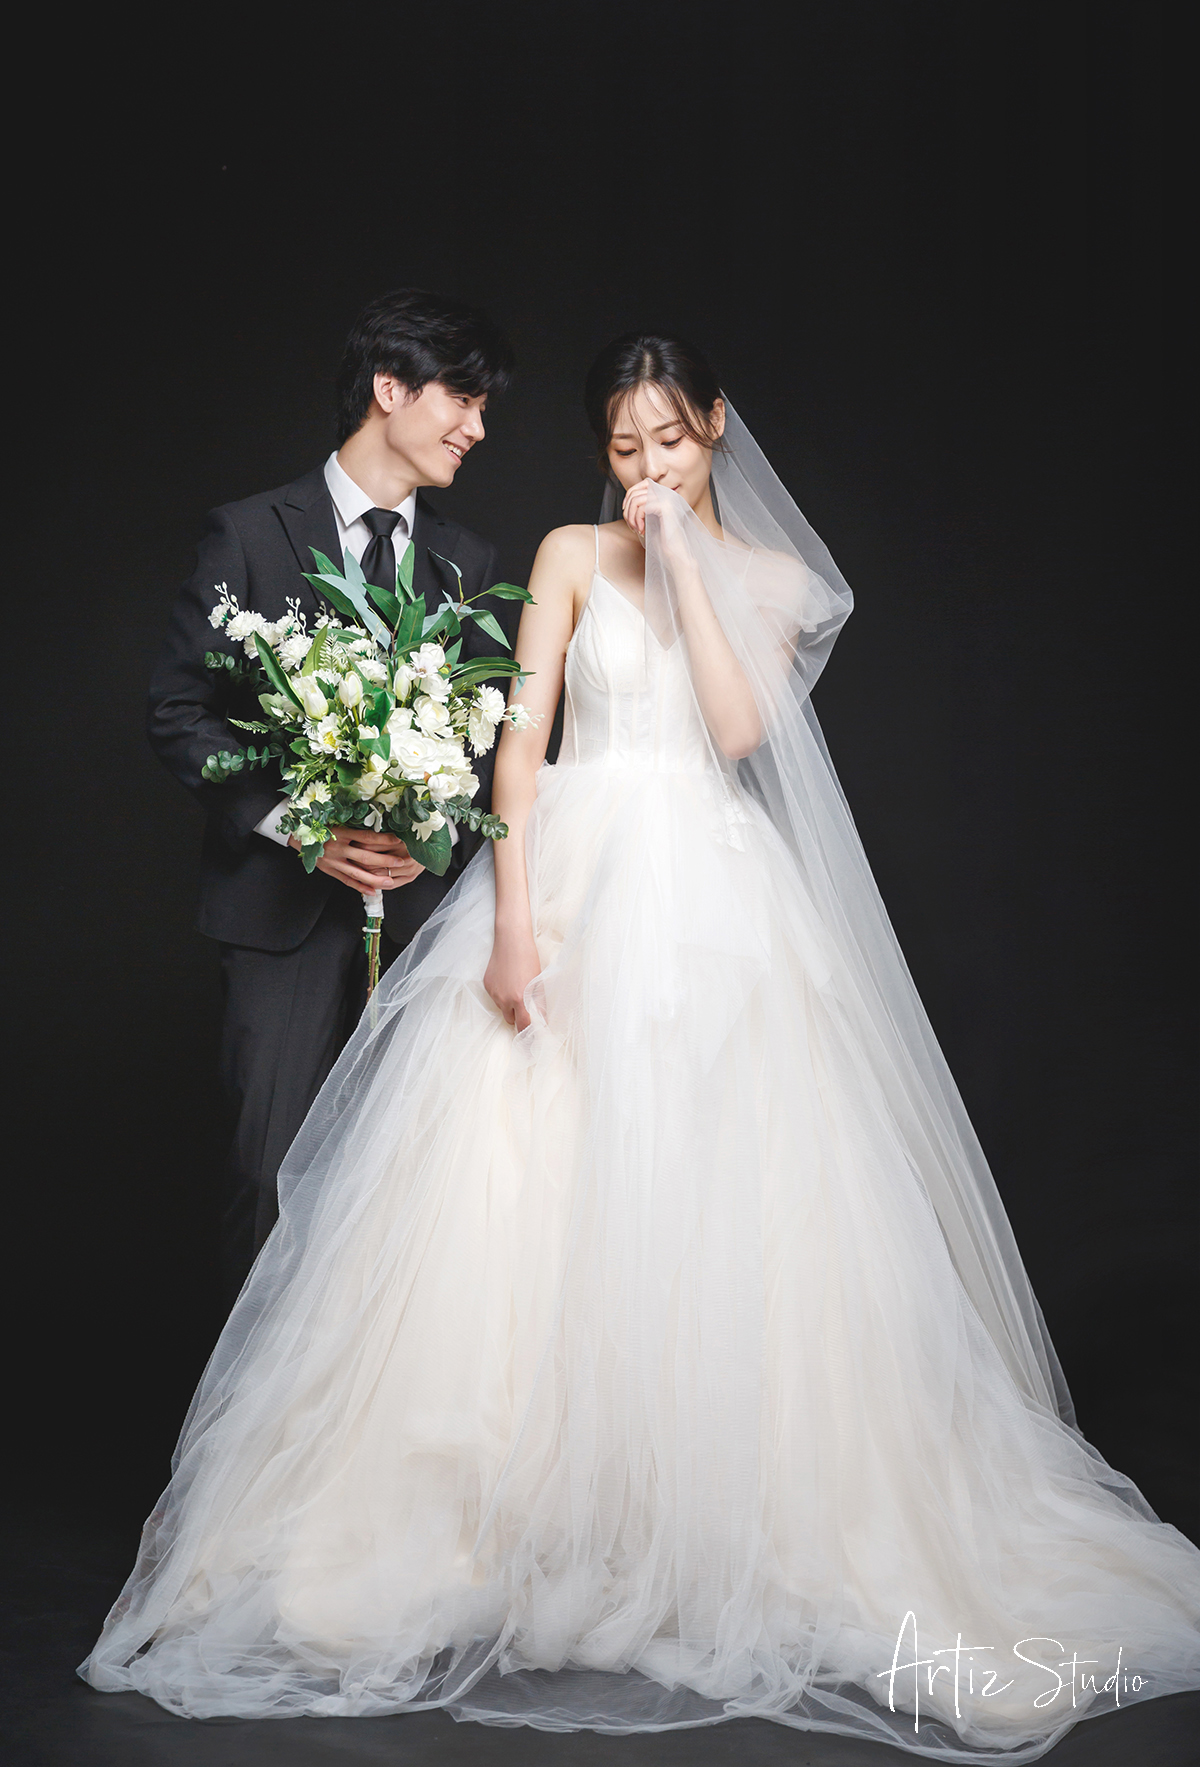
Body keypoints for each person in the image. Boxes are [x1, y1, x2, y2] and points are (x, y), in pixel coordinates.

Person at [85, 335, 1200, 1759]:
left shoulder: (778, 583)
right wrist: (512, 919)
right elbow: (522, 740)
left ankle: (696, 1515)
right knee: (512, 1188)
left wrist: (680, 558)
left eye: (667, 440)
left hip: (712, 900)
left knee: (719, 1188)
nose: (643, 468)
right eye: (622, 448)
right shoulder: (564, 552)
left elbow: (735, 729)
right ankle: (506, 1513)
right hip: (570, 874)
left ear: (715, 429)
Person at [147, 289, 516, 1297]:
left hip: (424, 923)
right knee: (269, 1178)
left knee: (416, 1186)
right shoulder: (248, 534)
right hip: (281, 919)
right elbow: (178, 711)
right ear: (391, 389)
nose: (478, 429)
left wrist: (428, 826)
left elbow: (484, 739)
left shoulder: (468, 561)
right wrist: (301, 822)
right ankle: (259, 1404)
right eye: (464, 400)